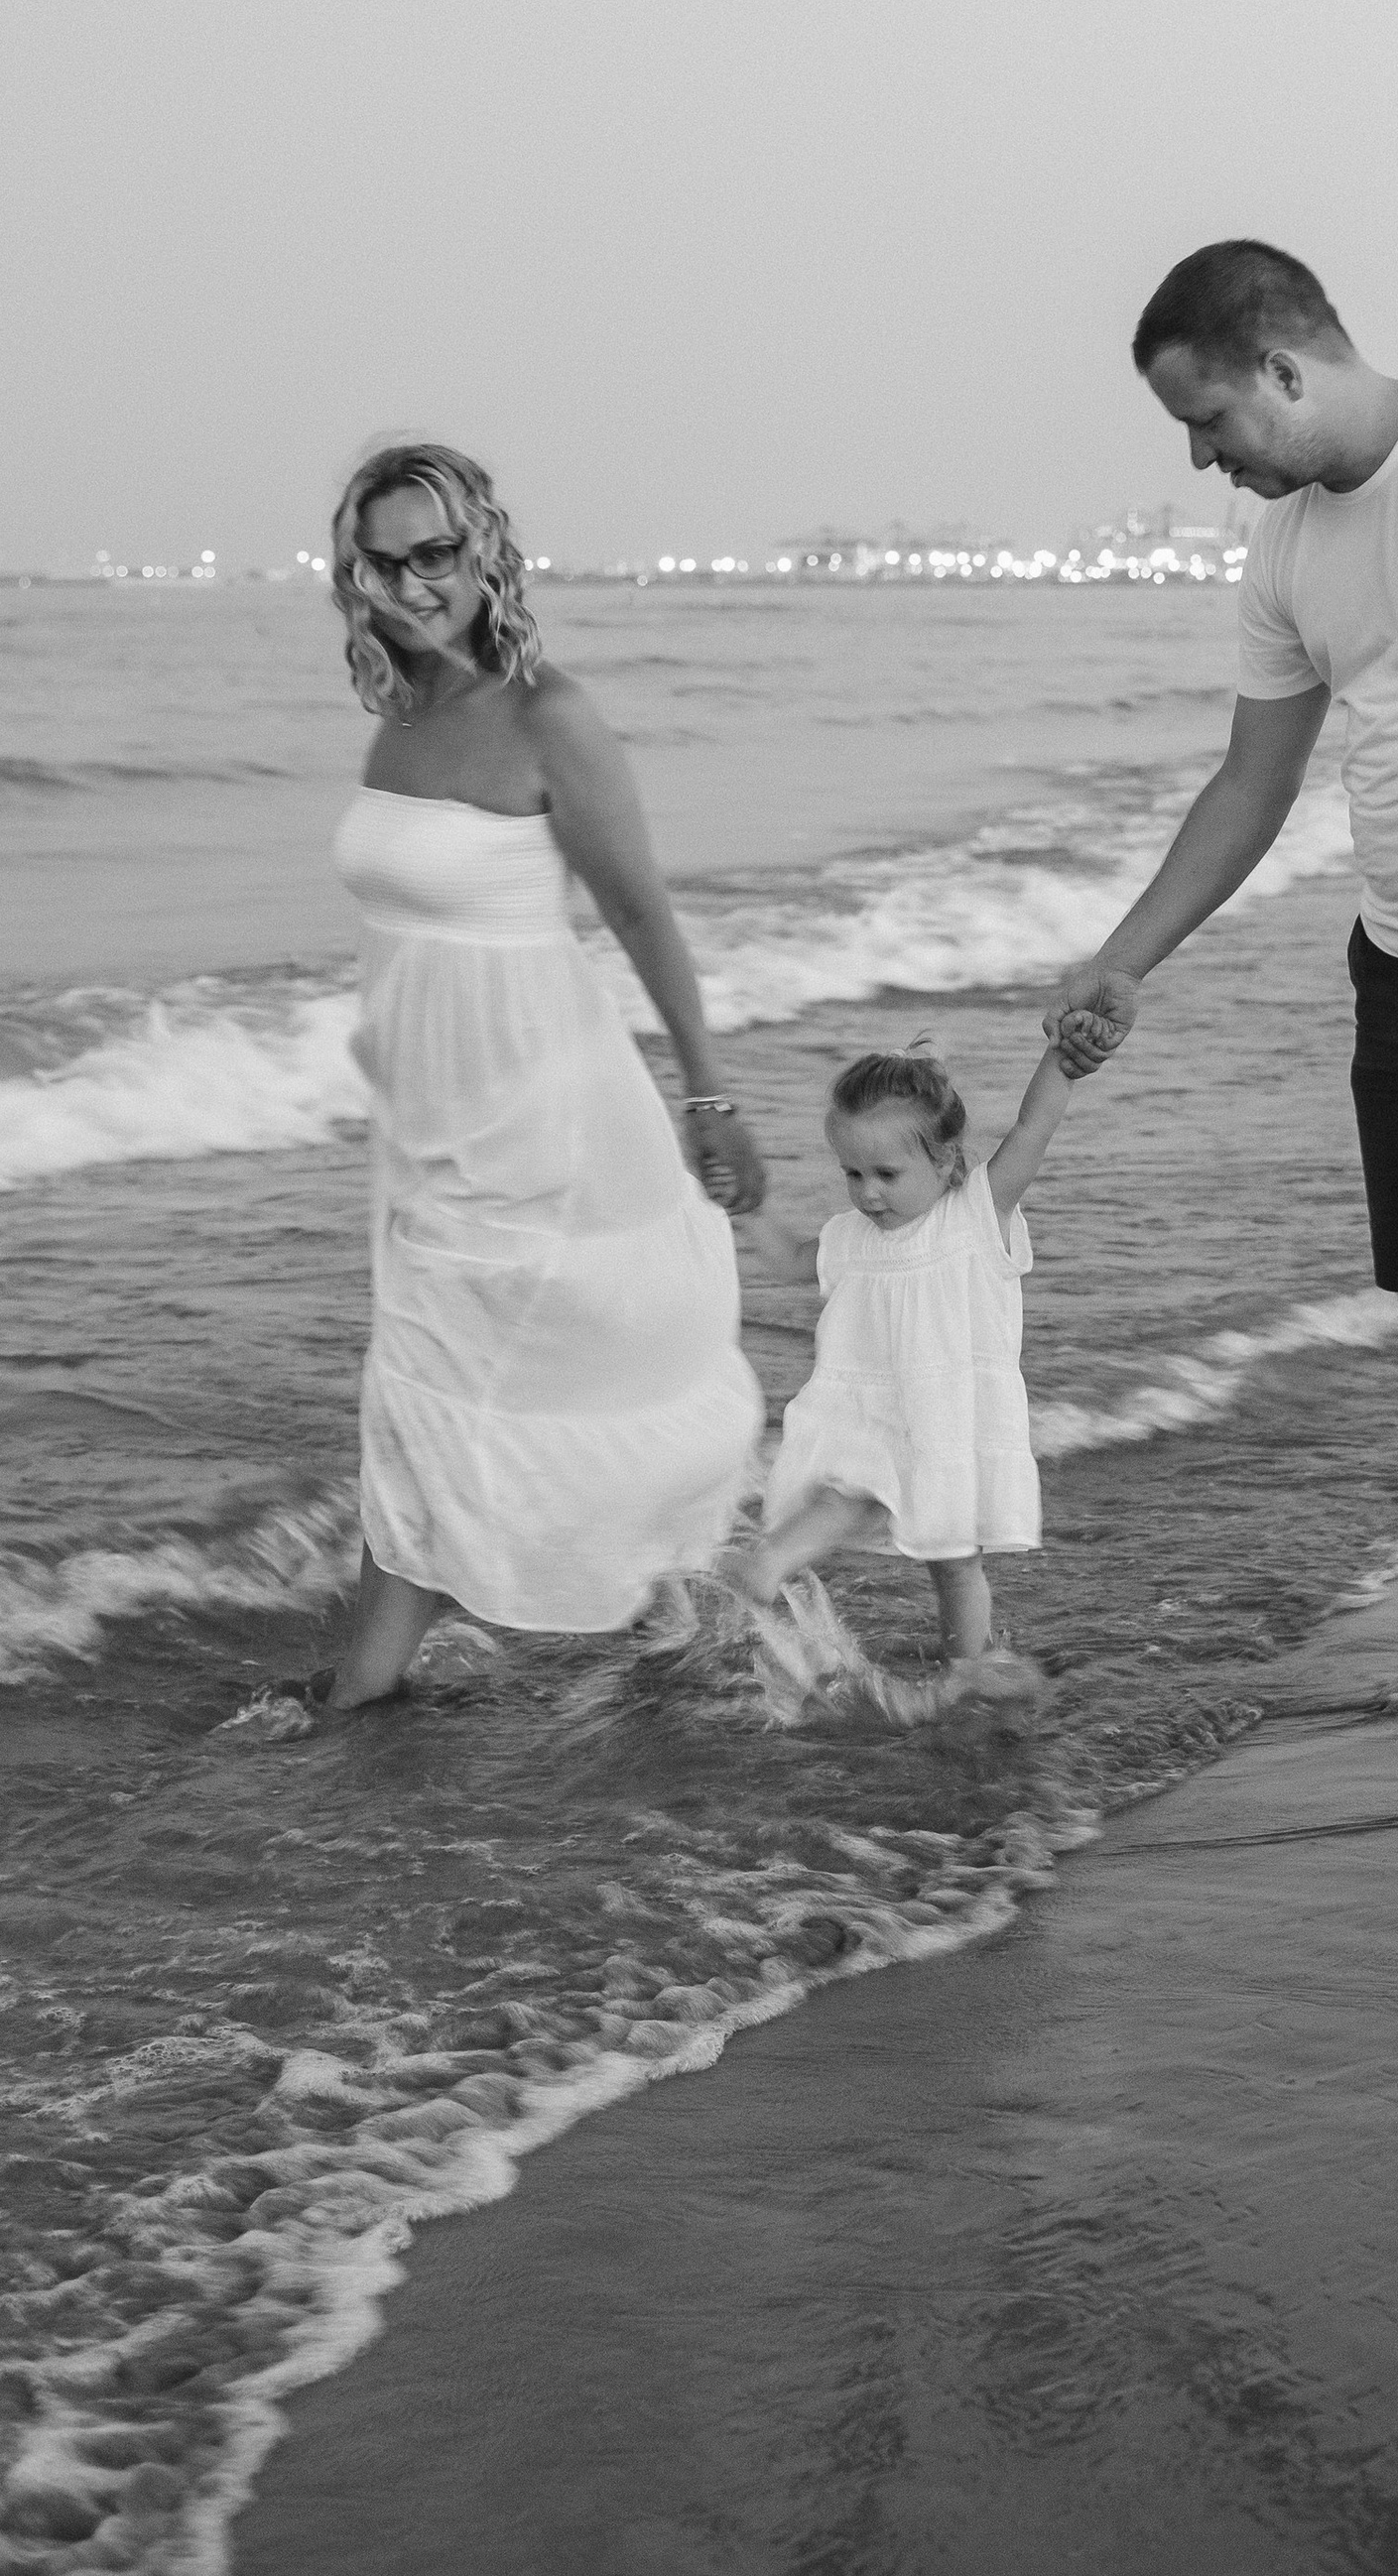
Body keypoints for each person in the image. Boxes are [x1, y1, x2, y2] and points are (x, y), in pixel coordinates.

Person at [1051, 239, 1398, 1785]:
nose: (1201, 457)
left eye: (1209, 418)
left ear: (1286, 370)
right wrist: (1123, 960)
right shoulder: (1288, 548)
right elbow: (1252, 783)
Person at [318, 439, 766, 1712]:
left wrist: (710, 1093)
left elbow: (639, 912)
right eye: (383, 561)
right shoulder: (400, 719)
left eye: (437, 554)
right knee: (427, 1375)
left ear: (484, 552)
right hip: (426, 1119)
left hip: (537, 1111)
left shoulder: (546, 716)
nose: (412, 585)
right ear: (353, 573)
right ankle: (686, 1612)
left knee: (458, 1373)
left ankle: (371, 1679)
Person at [731, 1040, 1077, 1700]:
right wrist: (747, 1210)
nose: (867, 1192)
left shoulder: (976, 1213)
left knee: (955, 1559)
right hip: (866, 1409)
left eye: (886, 1174)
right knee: (846, 1490)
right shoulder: (851, 1236)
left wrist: (1061, 1061)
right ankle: (770, 1561)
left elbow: (1032, 1128)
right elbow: (788, 1258)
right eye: (852, 1174)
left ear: (945, 1159)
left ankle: (965, 1667)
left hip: (944, 1416)